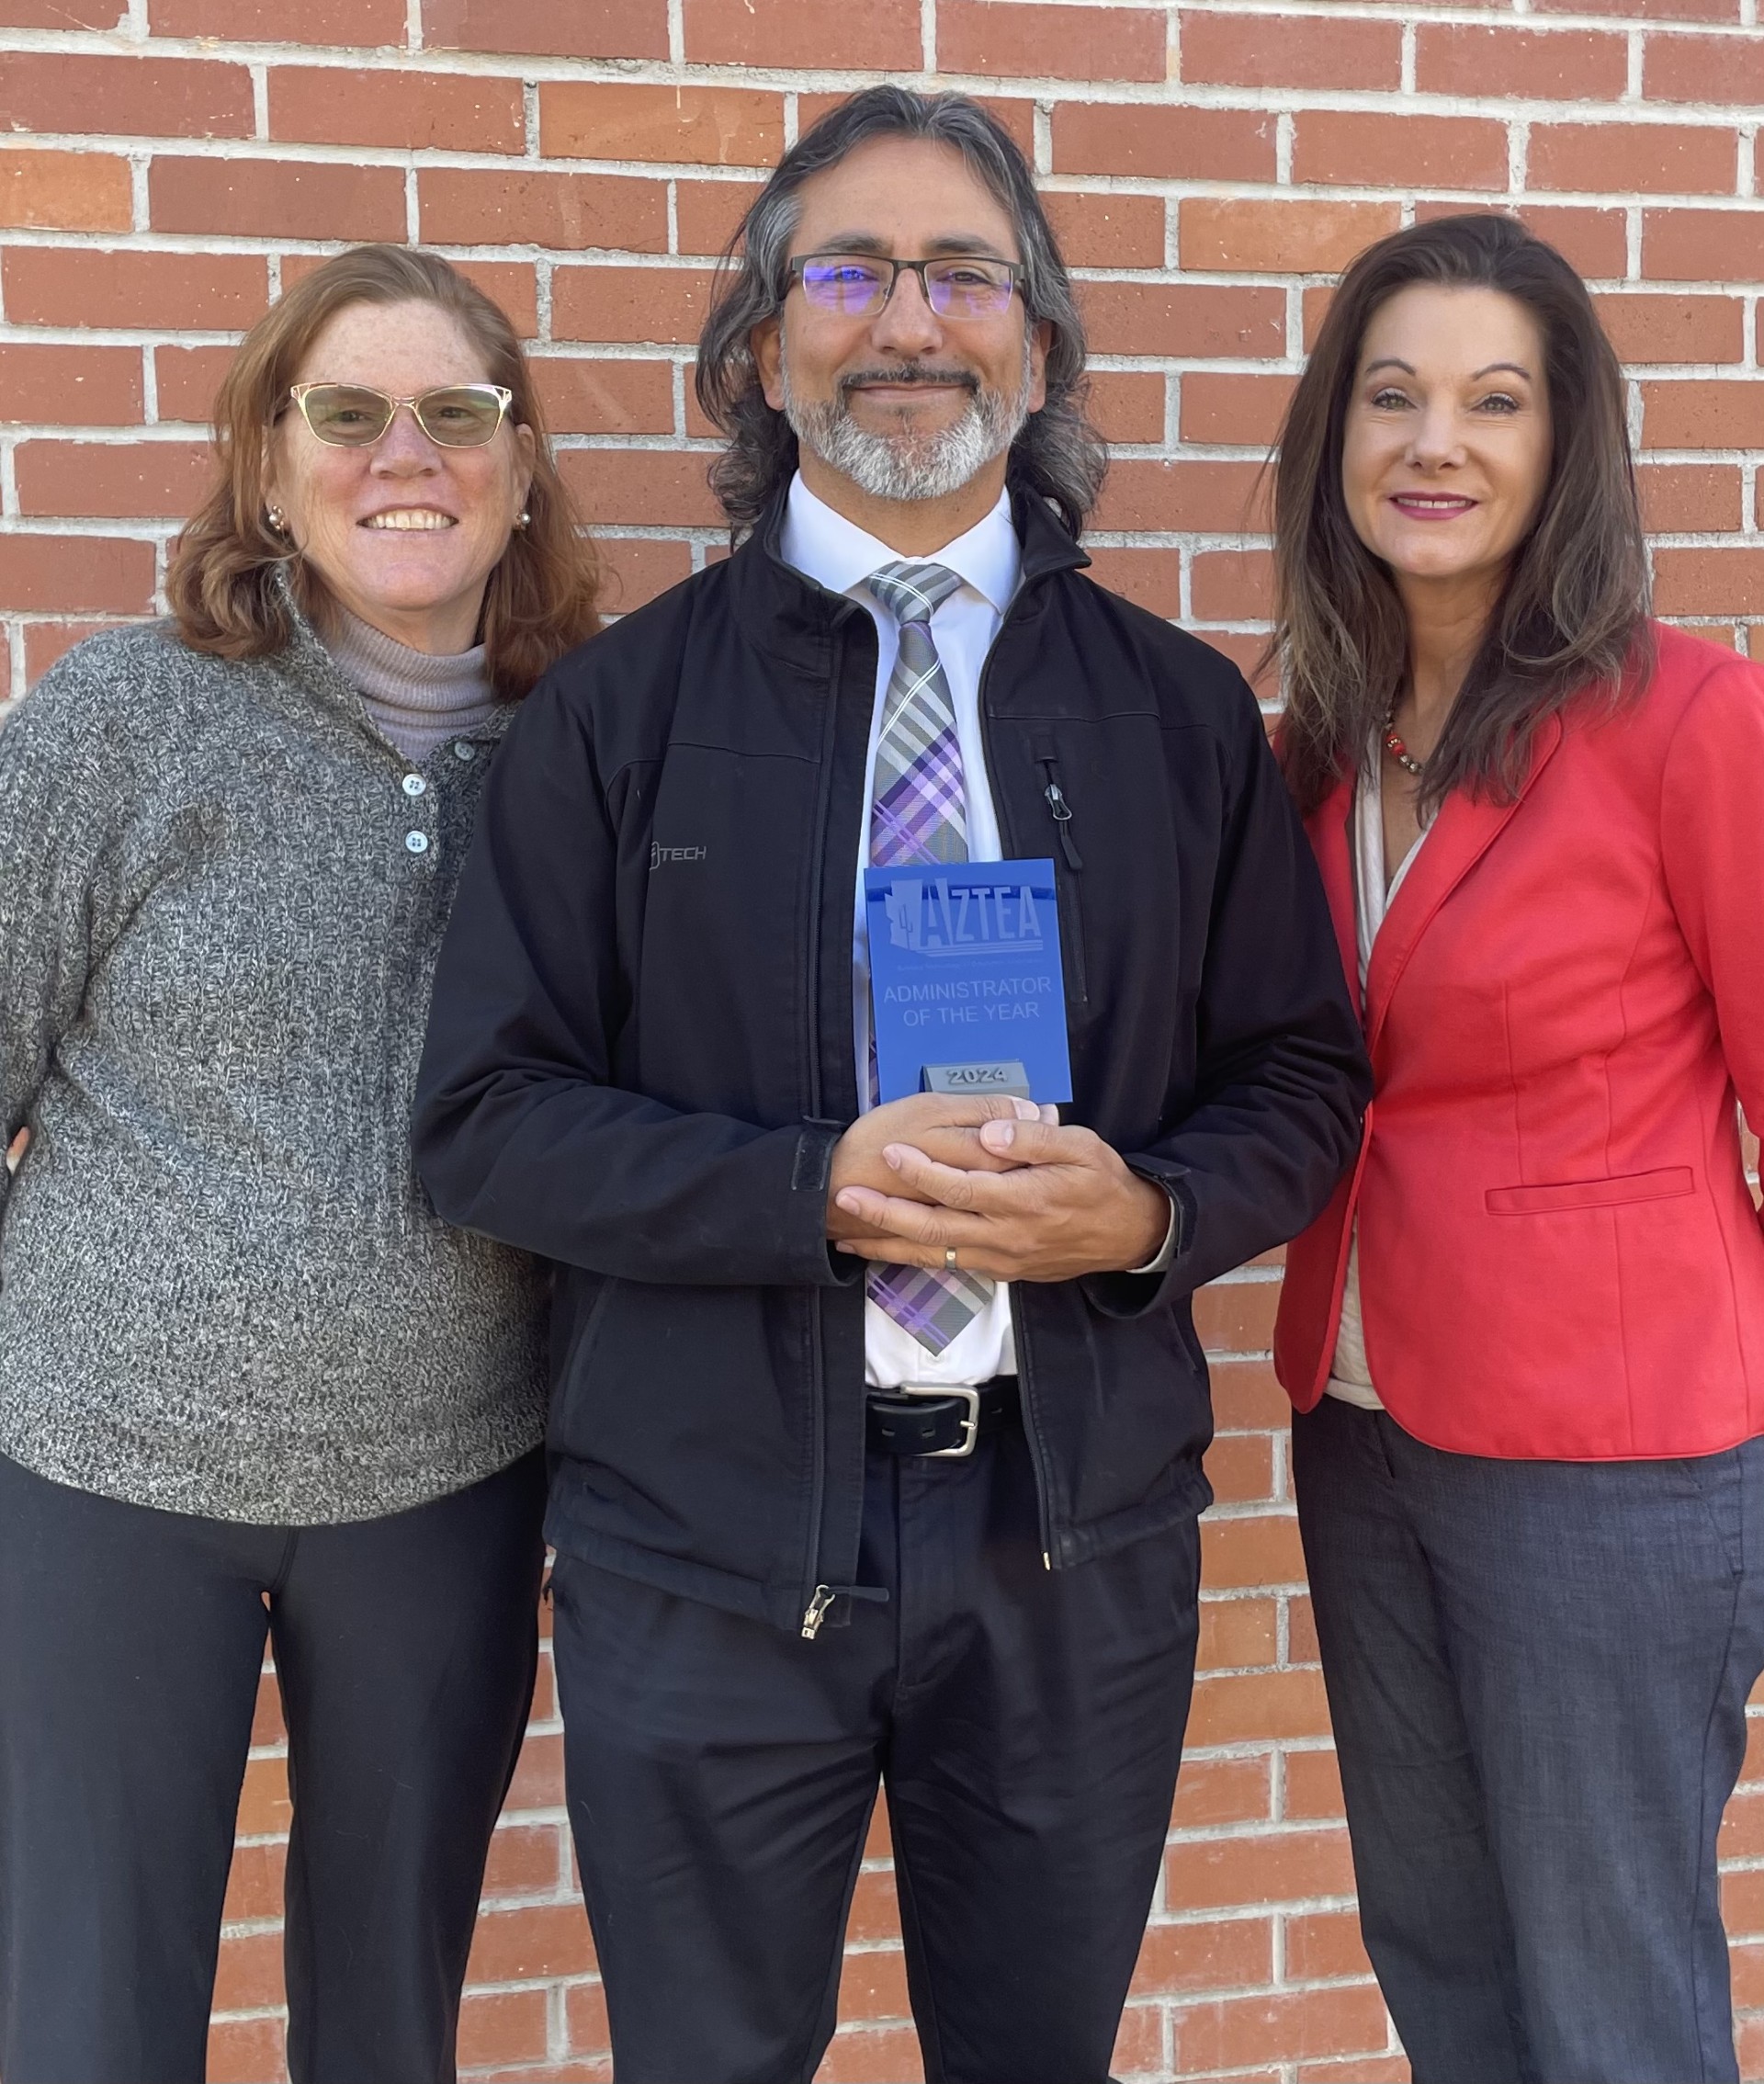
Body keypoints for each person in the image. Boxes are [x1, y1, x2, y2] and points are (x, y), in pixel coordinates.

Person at [413, 85, 1366, 2084]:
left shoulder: (1179, 713)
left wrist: (1152, 1218)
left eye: (963, 273)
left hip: (1073, 1547)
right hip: (709, 1548)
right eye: (847, 271)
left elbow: (1300, 1072)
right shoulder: (614, 715)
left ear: (1037, 344)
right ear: (764, 344)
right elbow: (486, 1120)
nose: (907, 319)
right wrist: (808, 1192)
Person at [0, 244, 601, 2084]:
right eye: (346, 412)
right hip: (105, 1470)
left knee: (387, 2022)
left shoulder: (590, 752)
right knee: (88, 2017)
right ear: (267, 462)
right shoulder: (122, 719)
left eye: (454, 413)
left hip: (449, 1484)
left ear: (517, 466)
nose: (400, 454)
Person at [1270, 211, 1764, 2084]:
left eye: (1494, 401)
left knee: (1607, 1990)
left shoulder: (1690, 722)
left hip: (1614, 1461)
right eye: (1390, 397)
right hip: (1366, 1424)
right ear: (1338, 440)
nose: (1433, 443)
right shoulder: (1317, 747)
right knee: (1441, 1956)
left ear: (1568, 446)